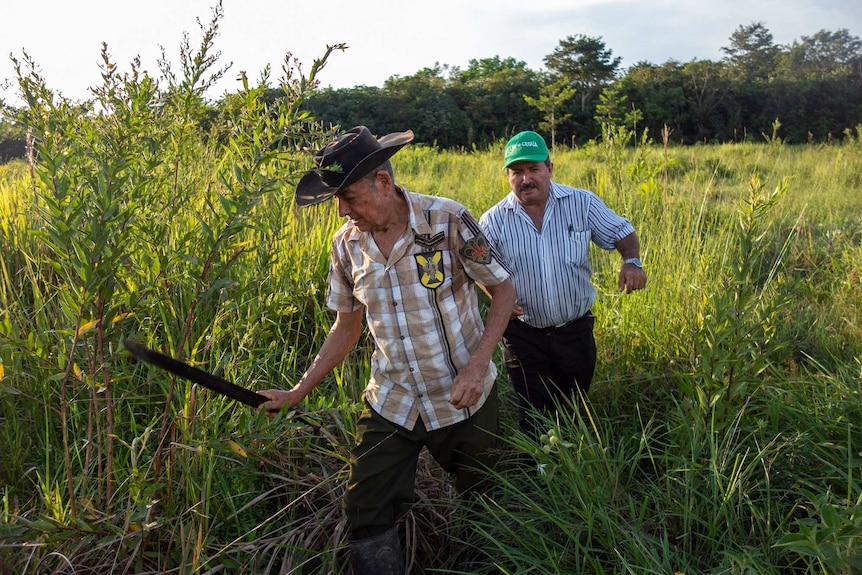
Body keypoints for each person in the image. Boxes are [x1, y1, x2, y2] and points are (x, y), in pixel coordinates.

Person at [259, 126, 515, 574]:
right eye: (336, 198)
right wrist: (297, 392)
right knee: (365, 508)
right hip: (392, 401)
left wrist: (477, 366)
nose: (342, 210)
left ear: (383, 181)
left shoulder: (449, 220)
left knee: (484, 500)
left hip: (462, 396)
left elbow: (504, 291)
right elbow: (346, 327)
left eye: (350, 197)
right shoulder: (346, 245)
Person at [479, 130, 647, 437]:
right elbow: (480, 267)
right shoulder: (493, 220)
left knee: (574, 407)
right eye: (517, 172)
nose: (526, 179)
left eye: (533, 169)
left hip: (575, 330)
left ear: (550, 168)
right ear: (507, 175)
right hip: (523, 334)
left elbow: (622, 231)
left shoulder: (581, 204)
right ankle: (540, 472)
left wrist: (631, 262)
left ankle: (573, 466)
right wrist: (495, 295)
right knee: (533, 411)